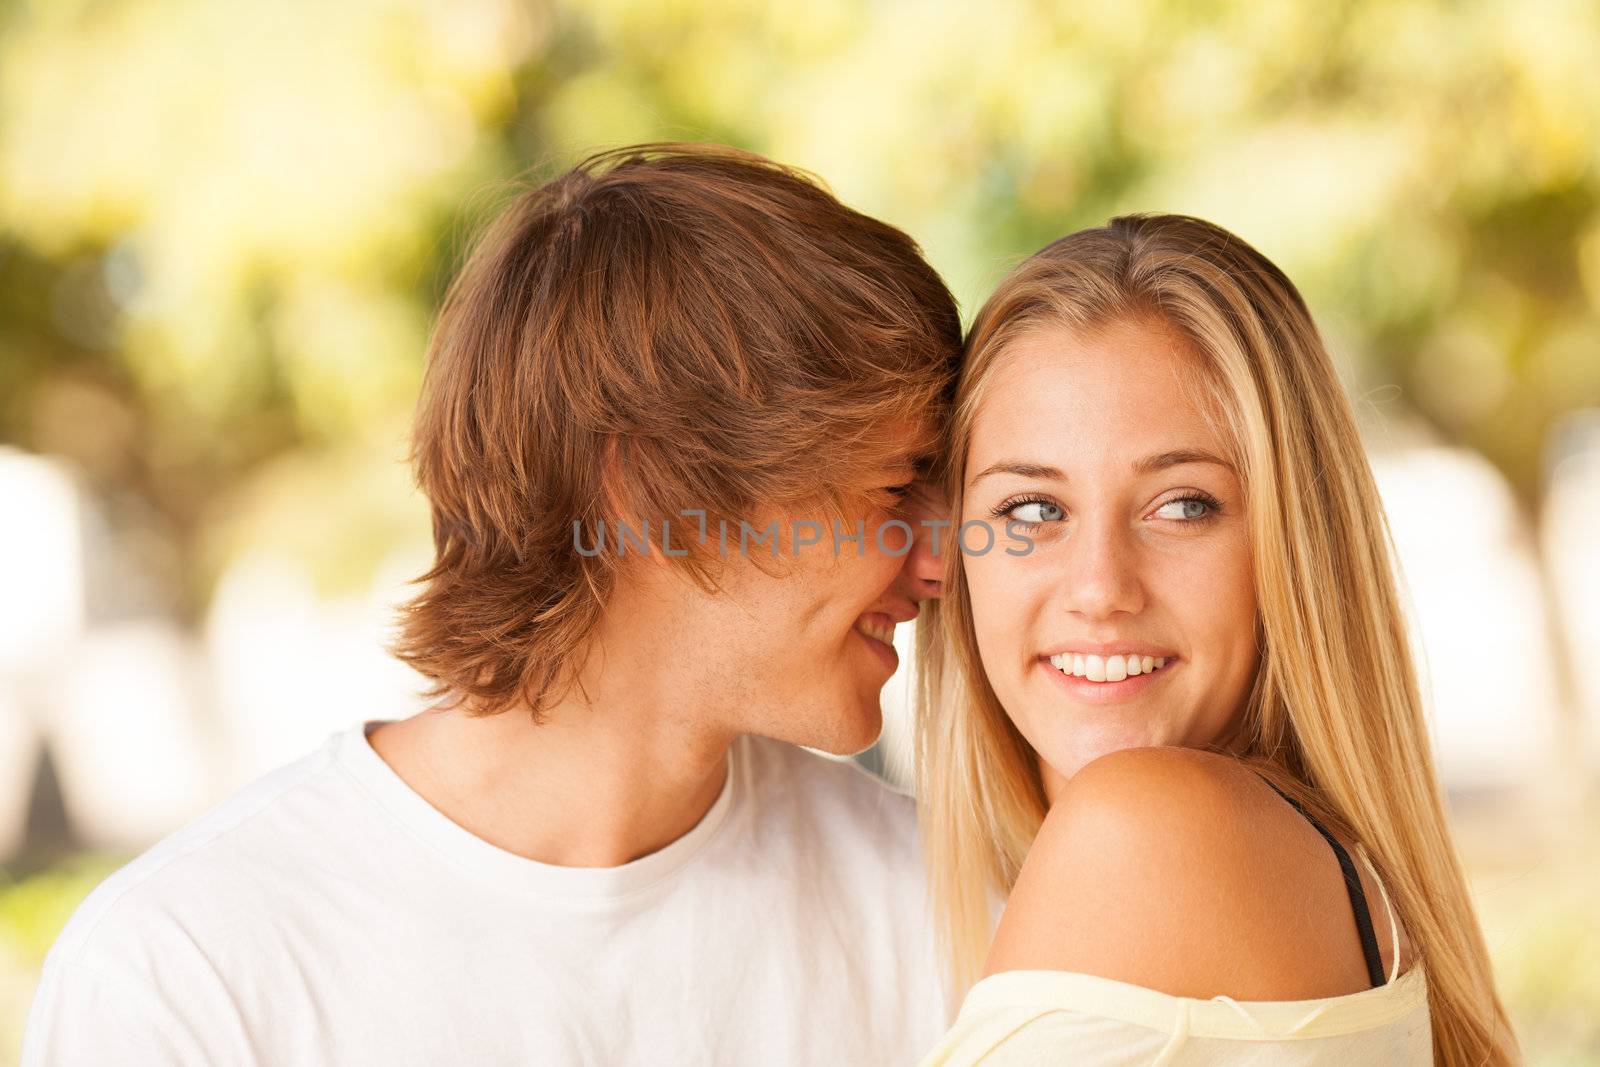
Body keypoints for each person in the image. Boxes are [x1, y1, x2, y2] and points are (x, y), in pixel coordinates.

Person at [23, 143, 962, 1066]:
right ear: (650, 492)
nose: (942, 560)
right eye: (892, 490)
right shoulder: (184, 978)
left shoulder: (940, 907)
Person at [914, 214, 1520, 1065]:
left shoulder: (1151, 828)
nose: (1099, 589)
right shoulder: (1331, 883)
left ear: (1294, 546)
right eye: (1034, 509)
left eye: (1184, 504)